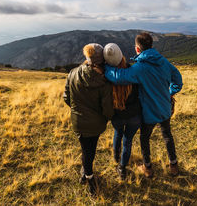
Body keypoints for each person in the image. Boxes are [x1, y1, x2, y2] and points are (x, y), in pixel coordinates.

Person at [104, 32, 183, 178]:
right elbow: (178, 80)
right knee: (167, 136)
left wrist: (105, 67)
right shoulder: (164, 62)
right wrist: (170, 93)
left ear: (137, 49)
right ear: (151, 46)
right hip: (165, 108)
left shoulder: (140, 68)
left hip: (149, 112)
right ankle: (174, 165)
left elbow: (119, 77)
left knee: (145, 138)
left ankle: (148, 168)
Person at [63, 43, 114, 195]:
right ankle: (90, 179)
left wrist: (77, 110)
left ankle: (85, 173)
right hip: (96, 124)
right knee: (89, 150)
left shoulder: (73, 73)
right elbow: (108, 109)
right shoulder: (104, 82)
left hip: (78, 122)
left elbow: (66, 97)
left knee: (86, 149)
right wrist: (106, 118)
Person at [103, 43, 142, 180]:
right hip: (134, 116)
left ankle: (115, 156)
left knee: (118, 133)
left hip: (117, 115)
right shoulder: (133, 71)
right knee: (128, 141)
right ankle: (122, 167)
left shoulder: (107, 76)